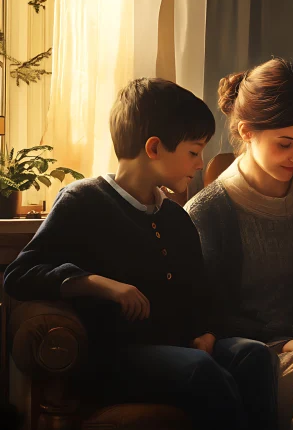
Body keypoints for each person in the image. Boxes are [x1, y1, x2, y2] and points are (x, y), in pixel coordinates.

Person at [3, 78, 278, 430]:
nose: (200, 163)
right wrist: (100, 284)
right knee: (200, 370)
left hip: (181, 351)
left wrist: (205, 332)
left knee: (254, 355)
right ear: (154, 148)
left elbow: (200, 295)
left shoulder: (177, 217)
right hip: (115, 360)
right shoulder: (83, 201)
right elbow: (20, 275)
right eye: (194, 152)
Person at [185, 57, 293, 349]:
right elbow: (211, 317)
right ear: (246, 131)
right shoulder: (208, 214)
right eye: (285, 144)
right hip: (257, 354)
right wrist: (285, 342)